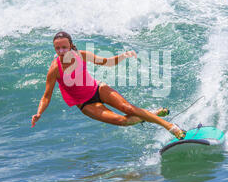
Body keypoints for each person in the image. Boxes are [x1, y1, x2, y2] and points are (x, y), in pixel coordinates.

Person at [31, 31, 186, 140]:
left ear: (71, 45)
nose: (61, 51)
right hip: (85, 104)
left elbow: (107, 62)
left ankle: (171, 127)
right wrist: (39, 113)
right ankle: (152, 114)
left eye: (64, 47)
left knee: (129, 109)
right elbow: (46, 96)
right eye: (57, 48)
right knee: (122, 121)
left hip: (98, 89)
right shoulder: (55, 69)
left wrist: (123, 55)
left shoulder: (81, 55)